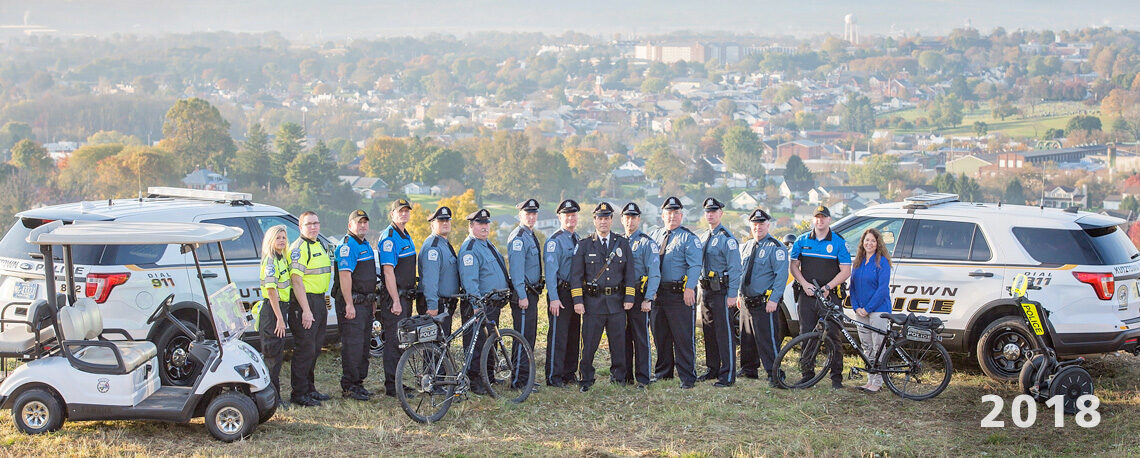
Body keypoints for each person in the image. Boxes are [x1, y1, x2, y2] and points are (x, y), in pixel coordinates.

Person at [570, 202, 635, 392]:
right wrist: (578, 301)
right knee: (589, 344)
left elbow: (630, 273)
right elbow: (576, 276)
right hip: (592, 304)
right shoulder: (584, 244)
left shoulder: (621, 243)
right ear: (594, 220)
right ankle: (586, 379)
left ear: (611, 220)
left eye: (607, 218)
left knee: (618, 344)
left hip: (616, 303)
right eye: (600, 218)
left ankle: (619, 378)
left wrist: (629, 298)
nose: (603, 222)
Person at [789, 205, 852, 389]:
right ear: (813, 220)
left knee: (833, 336)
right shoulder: (801, 240)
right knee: (806, 334)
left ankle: (836, 379)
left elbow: (846, 270)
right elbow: (794, 266)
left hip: (830, 297)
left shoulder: (839, 242)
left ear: (829, 220)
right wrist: (803, 283)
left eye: (823, 217)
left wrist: (828, 287)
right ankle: (807, 375)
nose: (820, 220)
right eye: (817, 217)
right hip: (807, 296)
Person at [458, 208, 512, 395]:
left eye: (487, 223)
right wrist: (476, 306)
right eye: (480, 224)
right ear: (471, 226)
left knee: (490, 341)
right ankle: (475, 380)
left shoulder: (487, 244)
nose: (485, 227)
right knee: (477, 343)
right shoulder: (470, 248)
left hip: (492, 304)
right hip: (479, 305)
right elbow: (469, 280)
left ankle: (488, 376)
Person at [651, 196, 702, 389]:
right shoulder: (655, 236)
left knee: (683, 337)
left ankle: (687, 377)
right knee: (660, 335)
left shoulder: (689, 238)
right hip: (658, 294)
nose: (672, 216)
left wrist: (690, 288)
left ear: (681, 215)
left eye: (676, 213)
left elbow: (695, 265)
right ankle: (664, 373)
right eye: (668, 213)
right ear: (662, 215)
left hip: (680, 294)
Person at [737, 208, 789, 386]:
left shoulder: (776, 247)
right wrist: (738, 294)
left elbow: (781, 276)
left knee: (768, 340)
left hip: (764, 302)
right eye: (754, 224)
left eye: (761, 224)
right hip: (746, 300)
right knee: (747, 338)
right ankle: (748, 369)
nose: (757, 227)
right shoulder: (747, 246)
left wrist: (774, 299)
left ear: (768, 225)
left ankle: (774, 373)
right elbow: (742, 272)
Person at [288, 211, 333, 406]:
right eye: (309, 224)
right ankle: (299, 394)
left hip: (318, 301)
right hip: (304, 303)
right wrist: (306, 310)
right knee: (304, 349)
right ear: (300, 227)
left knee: (314, 349)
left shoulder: (318, 244)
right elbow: (297, 281)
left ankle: (309, 389)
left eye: (316, 223)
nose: (313, 227)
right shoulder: (299, 248)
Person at [697, 197, 742, 387]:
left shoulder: (727, 239)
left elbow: (735, 269)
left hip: (722, 291)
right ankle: (712, 368)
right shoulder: (704, 236)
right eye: (707, 212)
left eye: (713, 211)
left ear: (720, 214)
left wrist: (733, 294)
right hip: (707, 290)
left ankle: (728, 374)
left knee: (724, 333)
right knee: (709, 331)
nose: (710, 214)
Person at [334, 209, 377, 401]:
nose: (363, 225)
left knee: (363, 346)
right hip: (353, 303)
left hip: (366, 303)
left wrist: (373, 301)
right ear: (350, 225)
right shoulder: (347, 246)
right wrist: (349, 304)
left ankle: (359, 383)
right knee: (353, 346)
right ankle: (349, 386)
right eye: (359, 222)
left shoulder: (365, 244)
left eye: (365, 222)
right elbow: (345, 277)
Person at [378, 198, 417, 397]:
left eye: (406, 211)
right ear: (392, 214)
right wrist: (394, 300)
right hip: (395, 299)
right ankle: (392, 386)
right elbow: (388, 272)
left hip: (406, 298)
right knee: (394, 342)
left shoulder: (406, 234)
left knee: (403, 341)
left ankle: (399, 382)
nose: (404, 214)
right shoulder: (389, 237)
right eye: (400, 211)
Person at [620, 202, 660, 388]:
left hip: (639, 296)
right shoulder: (618, 242)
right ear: (622, 220)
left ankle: (643, 378)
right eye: (627, 217)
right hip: (620, 297)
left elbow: (654, 272)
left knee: (641, 338)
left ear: (639, 220)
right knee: (623, 337)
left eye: (633, 217)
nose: (630, 221)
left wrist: (648, 298)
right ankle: (625, 376)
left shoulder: (646, 243)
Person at [849, 228, 892, 393]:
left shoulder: (882, 262)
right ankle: (869, 379)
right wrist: (856, 307)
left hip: (878, 310)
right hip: (860, 311)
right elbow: (852, 287)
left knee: (878, 345)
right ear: (862, 242)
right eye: (867, 240)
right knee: (866, 346)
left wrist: (868, 308)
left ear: (878, 243)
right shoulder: (858, 262)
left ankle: (878, 382)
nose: (869, 243)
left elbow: (882, 289)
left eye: (873, 241)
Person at [544, 199, 581, 388]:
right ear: (560, 217)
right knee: (559, 335)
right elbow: (550, 273)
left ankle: (569, 372)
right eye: (567, 215)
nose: (571, 218)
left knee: (574, 334)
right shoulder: (554, 241)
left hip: (576, 294)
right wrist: (554, 298)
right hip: (561, 292)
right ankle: (554, 376)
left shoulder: (578, 238)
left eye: (573, 215)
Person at [507, 199, 543, 389]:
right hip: (524, 295)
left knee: (529, 337)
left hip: (531, 294)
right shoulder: (519, 237)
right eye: (528, 214)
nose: (531, 217)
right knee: (522, 338)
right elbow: (516, 270)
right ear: (520, 215)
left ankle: (525, 378)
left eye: (534, 214)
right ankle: (518, 381)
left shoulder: (529, 234)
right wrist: (521, 295)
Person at [257, 224, 291, 408]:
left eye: (284, 237)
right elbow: (271, 292)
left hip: (279, 310)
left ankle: (275, 397)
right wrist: (279, 318)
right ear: (271, 240)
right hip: (272, 313)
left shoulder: (281, 258)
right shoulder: (270, 261)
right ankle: (272, 400)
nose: (282, 241)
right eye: (278, 238)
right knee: (271, 358)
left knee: (277, 358)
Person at [418, 206, 460, 335]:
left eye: (447, 220)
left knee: (442, 345)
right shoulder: (433, 247)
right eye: (441, 221)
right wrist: (432, 306)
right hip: (436, 305)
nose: (445, 223)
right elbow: (430, 279)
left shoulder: (443, 243)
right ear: (432, 224)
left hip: (444, 305)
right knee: (434, 349)